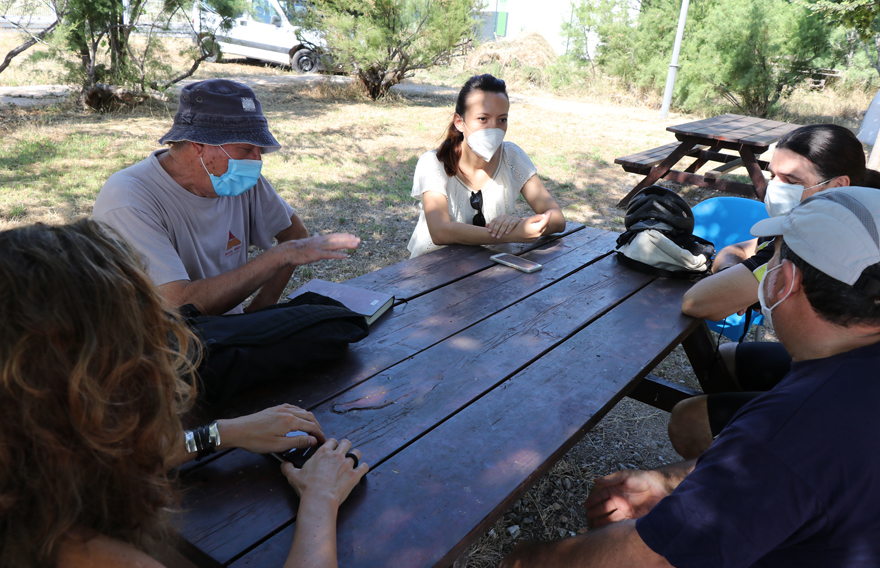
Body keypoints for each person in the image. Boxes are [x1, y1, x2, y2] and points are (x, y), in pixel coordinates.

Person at [499, 186, 880, 567]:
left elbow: (648, 559)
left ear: (784, 281)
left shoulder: (796, 427)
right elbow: (768, 472)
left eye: (773, 258)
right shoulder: (843, 385)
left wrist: (527, 558)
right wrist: (667, 482)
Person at [0, 219, 368, 568]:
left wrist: (221, 433)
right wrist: (321, 500)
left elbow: (105, 458)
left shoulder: (26, 473)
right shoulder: (82, 554)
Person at [672, 124, 880, 458]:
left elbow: (699, 301)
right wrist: (735, 272)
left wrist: (740, 280)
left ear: (838, 185)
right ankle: (756, 446)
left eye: (792, 181)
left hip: (856, 389)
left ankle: (763, 466)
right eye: (773, 176)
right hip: (849, 361)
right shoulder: (855, 215)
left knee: (688, 418)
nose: (774, 189)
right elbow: (744, 247)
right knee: (724, 360)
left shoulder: (815, 237)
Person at [93, 78, 359, 316]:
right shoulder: (129, 199)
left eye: (260, 150)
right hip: (162, 354)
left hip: (226, 344)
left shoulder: (240, 181)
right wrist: (280, 256)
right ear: (199, 145)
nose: (256, 161)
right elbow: (179, 307)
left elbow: (295, 235)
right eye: (245, 149)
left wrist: (259, 310)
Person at [406, 74, 566, 258]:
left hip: (491, 272)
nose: (494, 128)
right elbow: (440, 231)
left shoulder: (512, 157)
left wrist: (522, 223)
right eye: (483, 118)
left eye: (502, 119)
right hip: (433, 271)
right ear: (460, 122)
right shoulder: (433, 163)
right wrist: (511, 234)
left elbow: (557, 219)